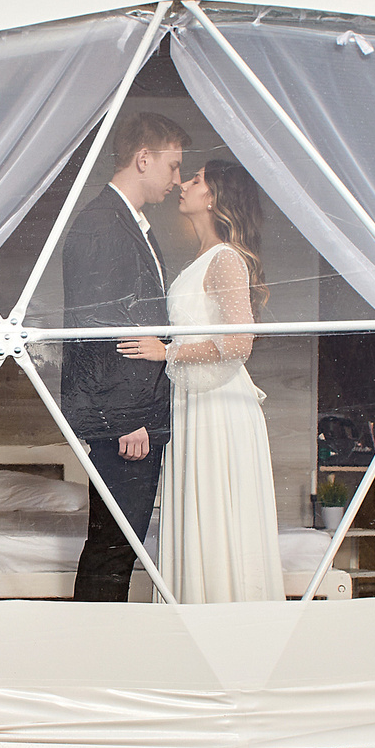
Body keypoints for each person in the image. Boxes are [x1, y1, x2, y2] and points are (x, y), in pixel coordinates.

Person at [118, 159, 285, 602]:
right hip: (195, 402)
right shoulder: (204, 258)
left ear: (212, 197)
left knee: (217, 514)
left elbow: (239, 343)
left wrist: (166, 349)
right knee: (202, 515)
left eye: (195, 180)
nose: (184, 186)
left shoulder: (226, 258)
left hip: (218, 404)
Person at [61, 111, 183, 601]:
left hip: (138, 414)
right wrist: (124, 419)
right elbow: (94, 331)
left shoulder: (132, 224)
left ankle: (97, 650)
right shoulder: (100, 224)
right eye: (173, 167)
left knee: (119, 546)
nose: (176, 180)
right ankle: (91, 655)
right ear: (143, 158)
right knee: (114, 545)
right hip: (126, 422)